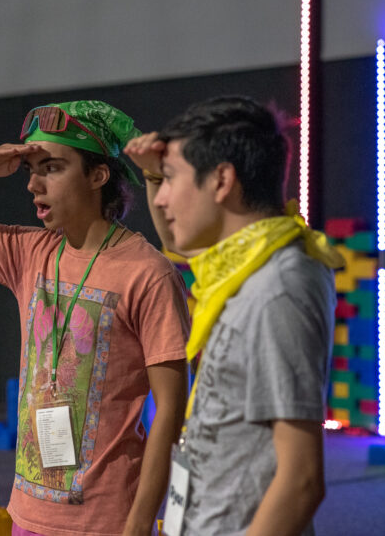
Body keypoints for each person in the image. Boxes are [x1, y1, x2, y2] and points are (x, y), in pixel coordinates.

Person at [0, 100, 190, 536]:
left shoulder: (147, 273)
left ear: (98, 176)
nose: (33, 184)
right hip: (28, 515)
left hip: (106, 522)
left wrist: (139, 522)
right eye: (30, 170)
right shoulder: (32, 252)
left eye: (52, 168)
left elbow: (171, 410)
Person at [124, 96, 343, 536]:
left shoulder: (276, 287)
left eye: (171, 179)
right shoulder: (241, 264)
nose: (161, 198)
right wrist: (153, 172)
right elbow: (177, 241)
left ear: (222, 180)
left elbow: (301, 481)